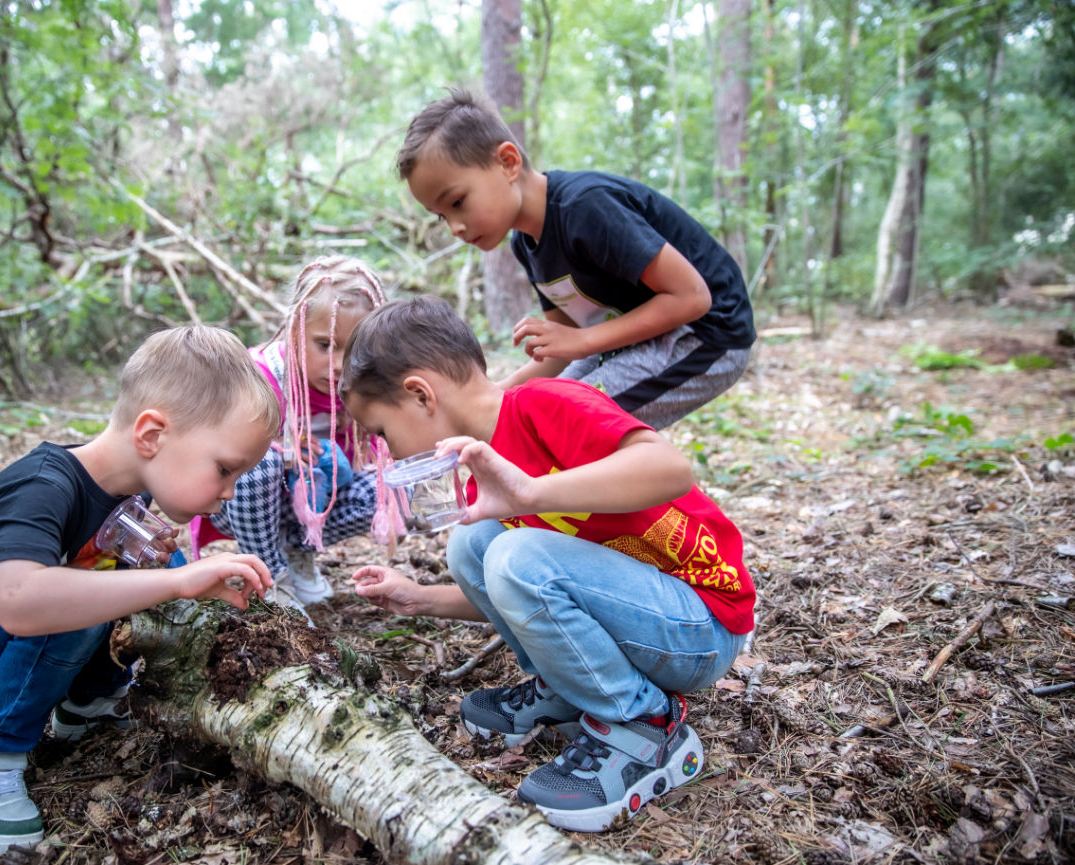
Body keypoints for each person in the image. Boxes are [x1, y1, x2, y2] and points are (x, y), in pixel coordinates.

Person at [340, 297, 755, 833]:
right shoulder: (481, 476)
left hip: (700, 626)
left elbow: (671, 467)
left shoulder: (543, 404)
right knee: (474, 545)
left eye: (381, 433)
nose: (390, 455)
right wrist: (419, 599)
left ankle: (644, 725)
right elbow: (529, 594)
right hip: (639, 619)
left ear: (420, 395)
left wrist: (531, 492)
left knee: (513, 551)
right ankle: (566, 690)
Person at [0, 325, 278, 854]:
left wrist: (189, 584)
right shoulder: (46, 486)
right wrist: (172, 581)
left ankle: (87, 704)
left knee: (138, 567)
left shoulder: (131, 495)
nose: (228, 494)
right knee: (86, 591)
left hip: (0, 649)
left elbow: (151, 582)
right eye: (225, 470)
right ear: (151, 435)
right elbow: (17, 600)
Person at [395, 88, 756, 430]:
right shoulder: (527, 243)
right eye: (442, 216)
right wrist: (494, 396)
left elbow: (692, 297)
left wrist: (582, 342)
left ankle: (658, 492)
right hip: (631, 336)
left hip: (705, 333)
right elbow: (564, 345)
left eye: (457, 201)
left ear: (507, 162)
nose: (455, 227)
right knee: (538, 407)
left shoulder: (585, 208)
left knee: (568, 421)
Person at [189, 256, 393, 610]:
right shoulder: (259, 376)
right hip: (239, 501)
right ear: (295, 329)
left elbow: (369, 462)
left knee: (392, 485)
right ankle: (269, 575)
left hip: (312, 501)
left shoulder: (360, 388)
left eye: (356, 348)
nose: (339, 364)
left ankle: (299, 550)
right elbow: (220, 453)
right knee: (260, 464)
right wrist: (283, 451)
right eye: (325, 345)